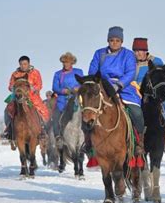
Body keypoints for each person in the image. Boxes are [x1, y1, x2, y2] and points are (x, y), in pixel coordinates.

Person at [86, 26, 145, 156]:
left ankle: (139, 142)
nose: (114, 43)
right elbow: (92, 71)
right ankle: (88, 143)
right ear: (108, 40)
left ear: (122, 42)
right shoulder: (99, 53)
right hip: (103, 87)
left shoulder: (128, 54)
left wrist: (119, 85)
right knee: (88, 111)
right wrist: (100, 84)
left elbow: (130, 72)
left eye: (117, 40)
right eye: (112, 40)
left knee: (137, 113)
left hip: (125, 88)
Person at [3, 56, 50, 145]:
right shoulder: (15, 74)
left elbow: (39, 85)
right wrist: (14, 88)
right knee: (8, 108)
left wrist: (33, 88)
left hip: (31, 97)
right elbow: (10, 86)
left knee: (42, 110)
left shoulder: (35, 72)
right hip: (17, 96)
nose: (23, 66)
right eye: (21, 64)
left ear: (28, 63)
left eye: (25, 64)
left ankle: (42, 130)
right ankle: (9, 129)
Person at [52, 52, 84, 142]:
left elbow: (83, 82)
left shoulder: (79, 72)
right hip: (62, 100)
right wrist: (63, 91)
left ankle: (87, 138)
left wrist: (78, 88)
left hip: (77, 98)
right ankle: (58, 137)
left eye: (68, 62)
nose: (66, 64)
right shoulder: (58, 74)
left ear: (72, 63)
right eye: (64, 62)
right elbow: (54, 87)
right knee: (55, 118)